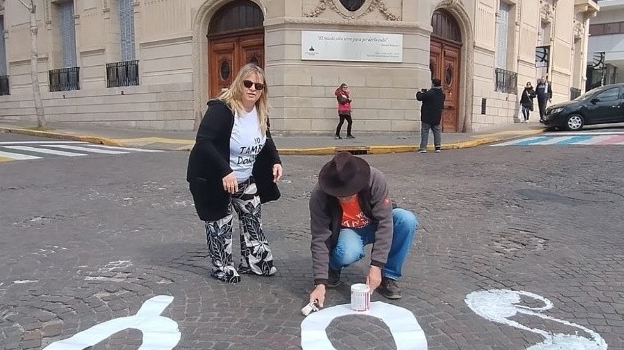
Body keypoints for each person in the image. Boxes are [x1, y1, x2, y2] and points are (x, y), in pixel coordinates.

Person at [186, 63, 283, 283]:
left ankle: (255, 263)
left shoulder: (260, 112)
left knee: (252, 218)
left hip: (245, 178)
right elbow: (203, 142)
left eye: (258, 86)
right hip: (215, 177)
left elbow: (266, 139)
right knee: (221, 223)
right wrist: (225, 171)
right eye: (248, 83)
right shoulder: (222, 109)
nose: (253, 89)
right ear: (239, 83)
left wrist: (276, 161)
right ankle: (222, 267)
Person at [308, 151, 418, 307]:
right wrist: (320, 283)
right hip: (347, 230)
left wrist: (376, 267)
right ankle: (332, 268)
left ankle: (389, 275)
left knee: (406, 220)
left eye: (348, 194)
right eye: (339, 195)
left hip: (374, 223)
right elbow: (320, 238)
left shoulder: (375, 179)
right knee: (347, 253)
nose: (344, 199)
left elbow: (385, 222)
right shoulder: (319, 194)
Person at [416, 78, 445, 152]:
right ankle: (438, 147)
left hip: (427, 116)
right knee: (437, 131)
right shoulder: (442, 95)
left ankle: (423, 148)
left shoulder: (430, 93)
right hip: (437, 116)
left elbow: (419, 97)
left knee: (425, 131)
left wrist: (419, 92)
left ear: (433, 84)